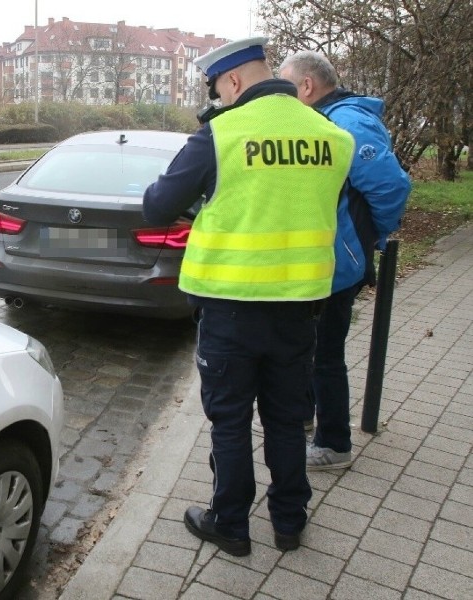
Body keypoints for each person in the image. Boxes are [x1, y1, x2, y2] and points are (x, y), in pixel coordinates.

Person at [143, 37, 355, 555]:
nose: (216, 97)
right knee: (286, 417)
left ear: (232, 81)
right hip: (300, 306)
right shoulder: (333, 136)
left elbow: (157, 207)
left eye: (217, 87)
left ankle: (231, 524)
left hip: (230, 306)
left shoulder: (220, 134)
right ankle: (289, 522)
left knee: (231, 419)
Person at [278, 51, 411, 470]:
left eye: (287, 88)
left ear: (306, 87)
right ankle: (306, 419)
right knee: (310, 344)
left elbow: (391, 187)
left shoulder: (347, 122)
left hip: (340, 259)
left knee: (324, 352)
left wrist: (373, 235)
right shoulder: (329, 118)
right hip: (327, 256)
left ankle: (334, 444)